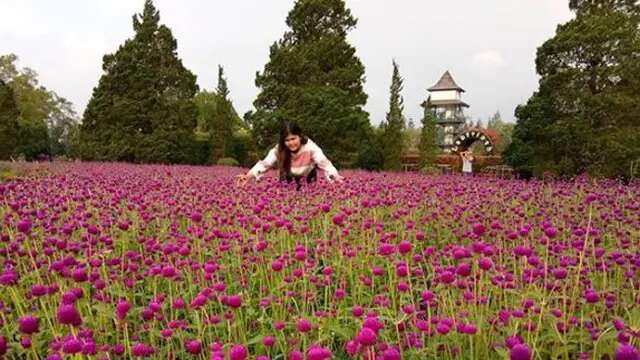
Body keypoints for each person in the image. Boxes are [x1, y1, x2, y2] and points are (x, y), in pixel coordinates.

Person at [236, 121, 344, 190]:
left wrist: (335, 177)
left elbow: (324, 163)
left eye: (293, 139)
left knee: (308, 205)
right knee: (286, 204)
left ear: (300, 136)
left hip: (307, 177)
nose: (291, 143)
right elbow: (265, 164)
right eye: (287, 140)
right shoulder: (279, 149)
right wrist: (247, 176)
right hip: (287, 177)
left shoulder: (311, 147)